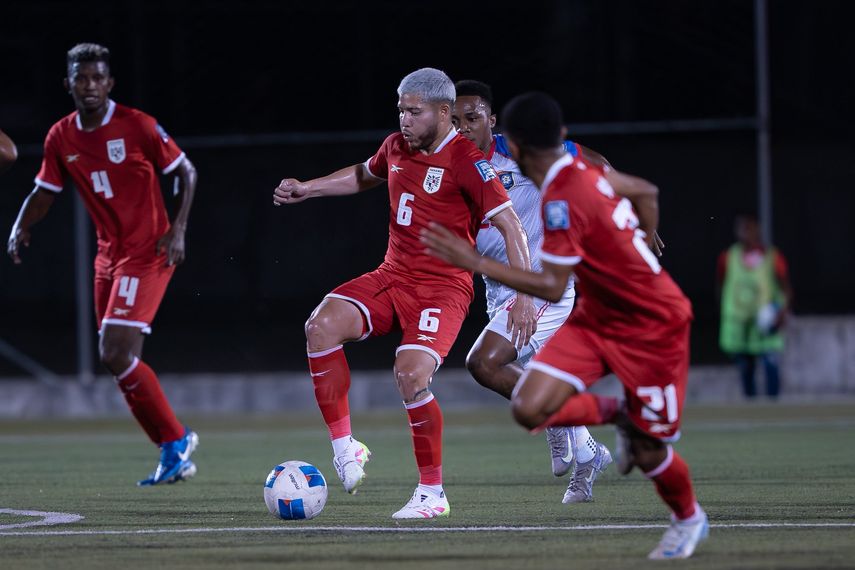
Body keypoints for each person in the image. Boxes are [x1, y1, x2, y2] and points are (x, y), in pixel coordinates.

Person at [422, 92, 708, 559]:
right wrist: (640, 238)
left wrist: (473, 260)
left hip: (653, 326)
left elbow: (552, 287)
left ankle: (688, 518)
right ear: (561, 137)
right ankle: (620, 415)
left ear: (510, 142)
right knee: (529, 406)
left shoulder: (560, 198)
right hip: (597, 319)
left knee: (652, 453)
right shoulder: (584, 173)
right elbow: (645, 192)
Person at [272, 68, 531, 519]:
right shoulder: (396, 146)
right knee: (320, 327)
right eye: (401, 110)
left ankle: (432, 494)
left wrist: (525, 295)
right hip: (392, 277)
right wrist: (307, 189)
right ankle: (346, 447)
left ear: (444, 112)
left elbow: (511, 226)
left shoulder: (468, 161)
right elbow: (363, 174)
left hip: (442, 290)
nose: (404, 119)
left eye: (414, 112)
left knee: (411, 375)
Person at [7, 43, 199, 486]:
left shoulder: (137, 125)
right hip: (107, 256)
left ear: (109, 83)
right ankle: (173, 448)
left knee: (114, 351)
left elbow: (186, 172)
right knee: (117, 360)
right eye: (81, 78)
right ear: (69, 84)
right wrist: (21, 224)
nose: (89, 86)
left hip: (148, 251)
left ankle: (177, 437)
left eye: (97, 78)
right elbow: (44, 192)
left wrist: (179, 228)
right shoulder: (61, 136)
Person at [452, 80, 611, 504]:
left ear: (491, 118)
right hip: (496, 291)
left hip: (541, 286)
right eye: (454, 120)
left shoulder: (521, 153)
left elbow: (595, 163)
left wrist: (631, 220)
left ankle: (577, 438)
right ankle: (583, 454)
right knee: (535, 374)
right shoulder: (450, 164)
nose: (463, 127)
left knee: (484, 363)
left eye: (472, 118)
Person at [717, 213, 793, 399]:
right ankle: (750, 409)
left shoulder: (772, 256)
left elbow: (785, 288)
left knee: (770, 365)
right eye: (742, 228)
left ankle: (774, 406)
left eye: (749, 228)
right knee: (746, 370)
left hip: (765, 324)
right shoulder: (729, 257)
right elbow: (721, 285)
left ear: (758, 229)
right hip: (740, 325)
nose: (745, 233)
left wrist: (782, 311)